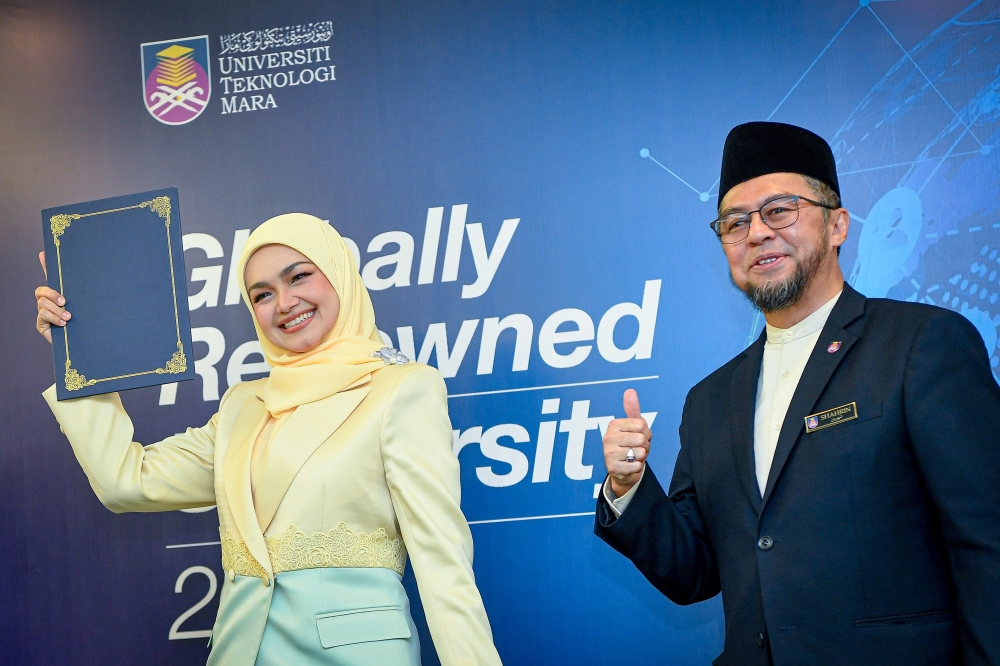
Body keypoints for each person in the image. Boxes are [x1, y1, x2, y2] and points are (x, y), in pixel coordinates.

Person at [595, 121, 1000, 665]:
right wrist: (627, 486)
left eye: (780, 210)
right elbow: (694, 572)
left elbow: (987, 545)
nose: (757, 233)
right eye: (734, 223)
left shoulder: (920, 345)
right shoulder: (710, 400)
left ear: (837, 225)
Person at [35, 213, 503, 666]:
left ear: (339, 274)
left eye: (298, 276)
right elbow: (126, 482)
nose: (283, 303)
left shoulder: (402, 388)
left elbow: (444, 565)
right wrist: (82, 345)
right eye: (262, 294)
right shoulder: (243, 406)